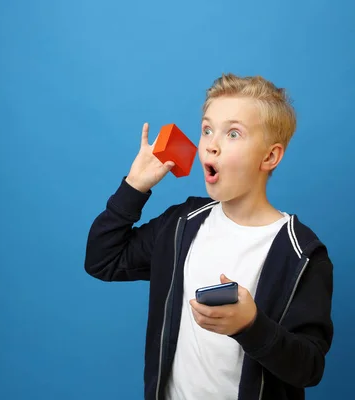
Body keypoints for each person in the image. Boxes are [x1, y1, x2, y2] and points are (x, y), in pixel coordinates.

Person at [84, 73, 334, 400]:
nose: (211, 144)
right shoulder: (180, 225)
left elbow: (309, 367)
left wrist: (251, 325)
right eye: (206, 129)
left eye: (233, 133)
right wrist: (134, 187)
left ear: (270, 157)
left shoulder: (301, 254)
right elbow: (103, 260)